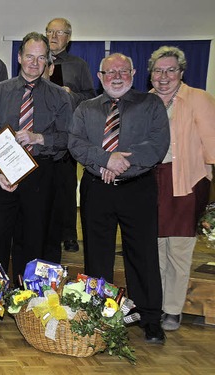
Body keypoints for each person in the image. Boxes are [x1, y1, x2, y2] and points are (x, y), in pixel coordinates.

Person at [68, 53, 169, 344]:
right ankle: (99, 315)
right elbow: (76, 143)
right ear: (99, 77)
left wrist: (121, 163)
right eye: (110, 71)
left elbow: (158, 144)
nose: (116, 76)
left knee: (143, 255)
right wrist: (105, 159)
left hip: (138, 188)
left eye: (122, 71)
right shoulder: (86, 108)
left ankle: (150, 318)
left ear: (134, 73)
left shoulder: (150, 104)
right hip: (97, 188)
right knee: (97, 257)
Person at [0, 32, 71, 280]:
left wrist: (39, 138)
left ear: (47, 62)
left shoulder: (60, 96)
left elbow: (68, 139)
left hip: (41, 175)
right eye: (29, 56)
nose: (34, 62)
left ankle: (29, 299)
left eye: (41, 58)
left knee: (34, 241)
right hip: (2, 175)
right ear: (19, 57)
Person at [148, 46, 215, 331]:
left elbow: (212, 145)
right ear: (150, 74)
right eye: (158, 71)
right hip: (149, 181)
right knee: (153, 247)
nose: (164, 77)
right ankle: (155, 303)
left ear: (182, 73)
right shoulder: (144, 101)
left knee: (179, 247)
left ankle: (173, 309)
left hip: (186, 181)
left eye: (171, 70)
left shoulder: (199, 98)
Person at [44, 17, 96, 257]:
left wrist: (70, 94)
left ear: (69, 37)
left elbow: (90, 97)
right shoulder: (37, 60)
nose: (53, 37)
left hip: (67, 134)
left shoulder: (78, 65)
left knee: (65, 186)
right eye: (50, 32)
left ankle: (69, 235)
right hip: (39, 134)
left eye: (59, 32)